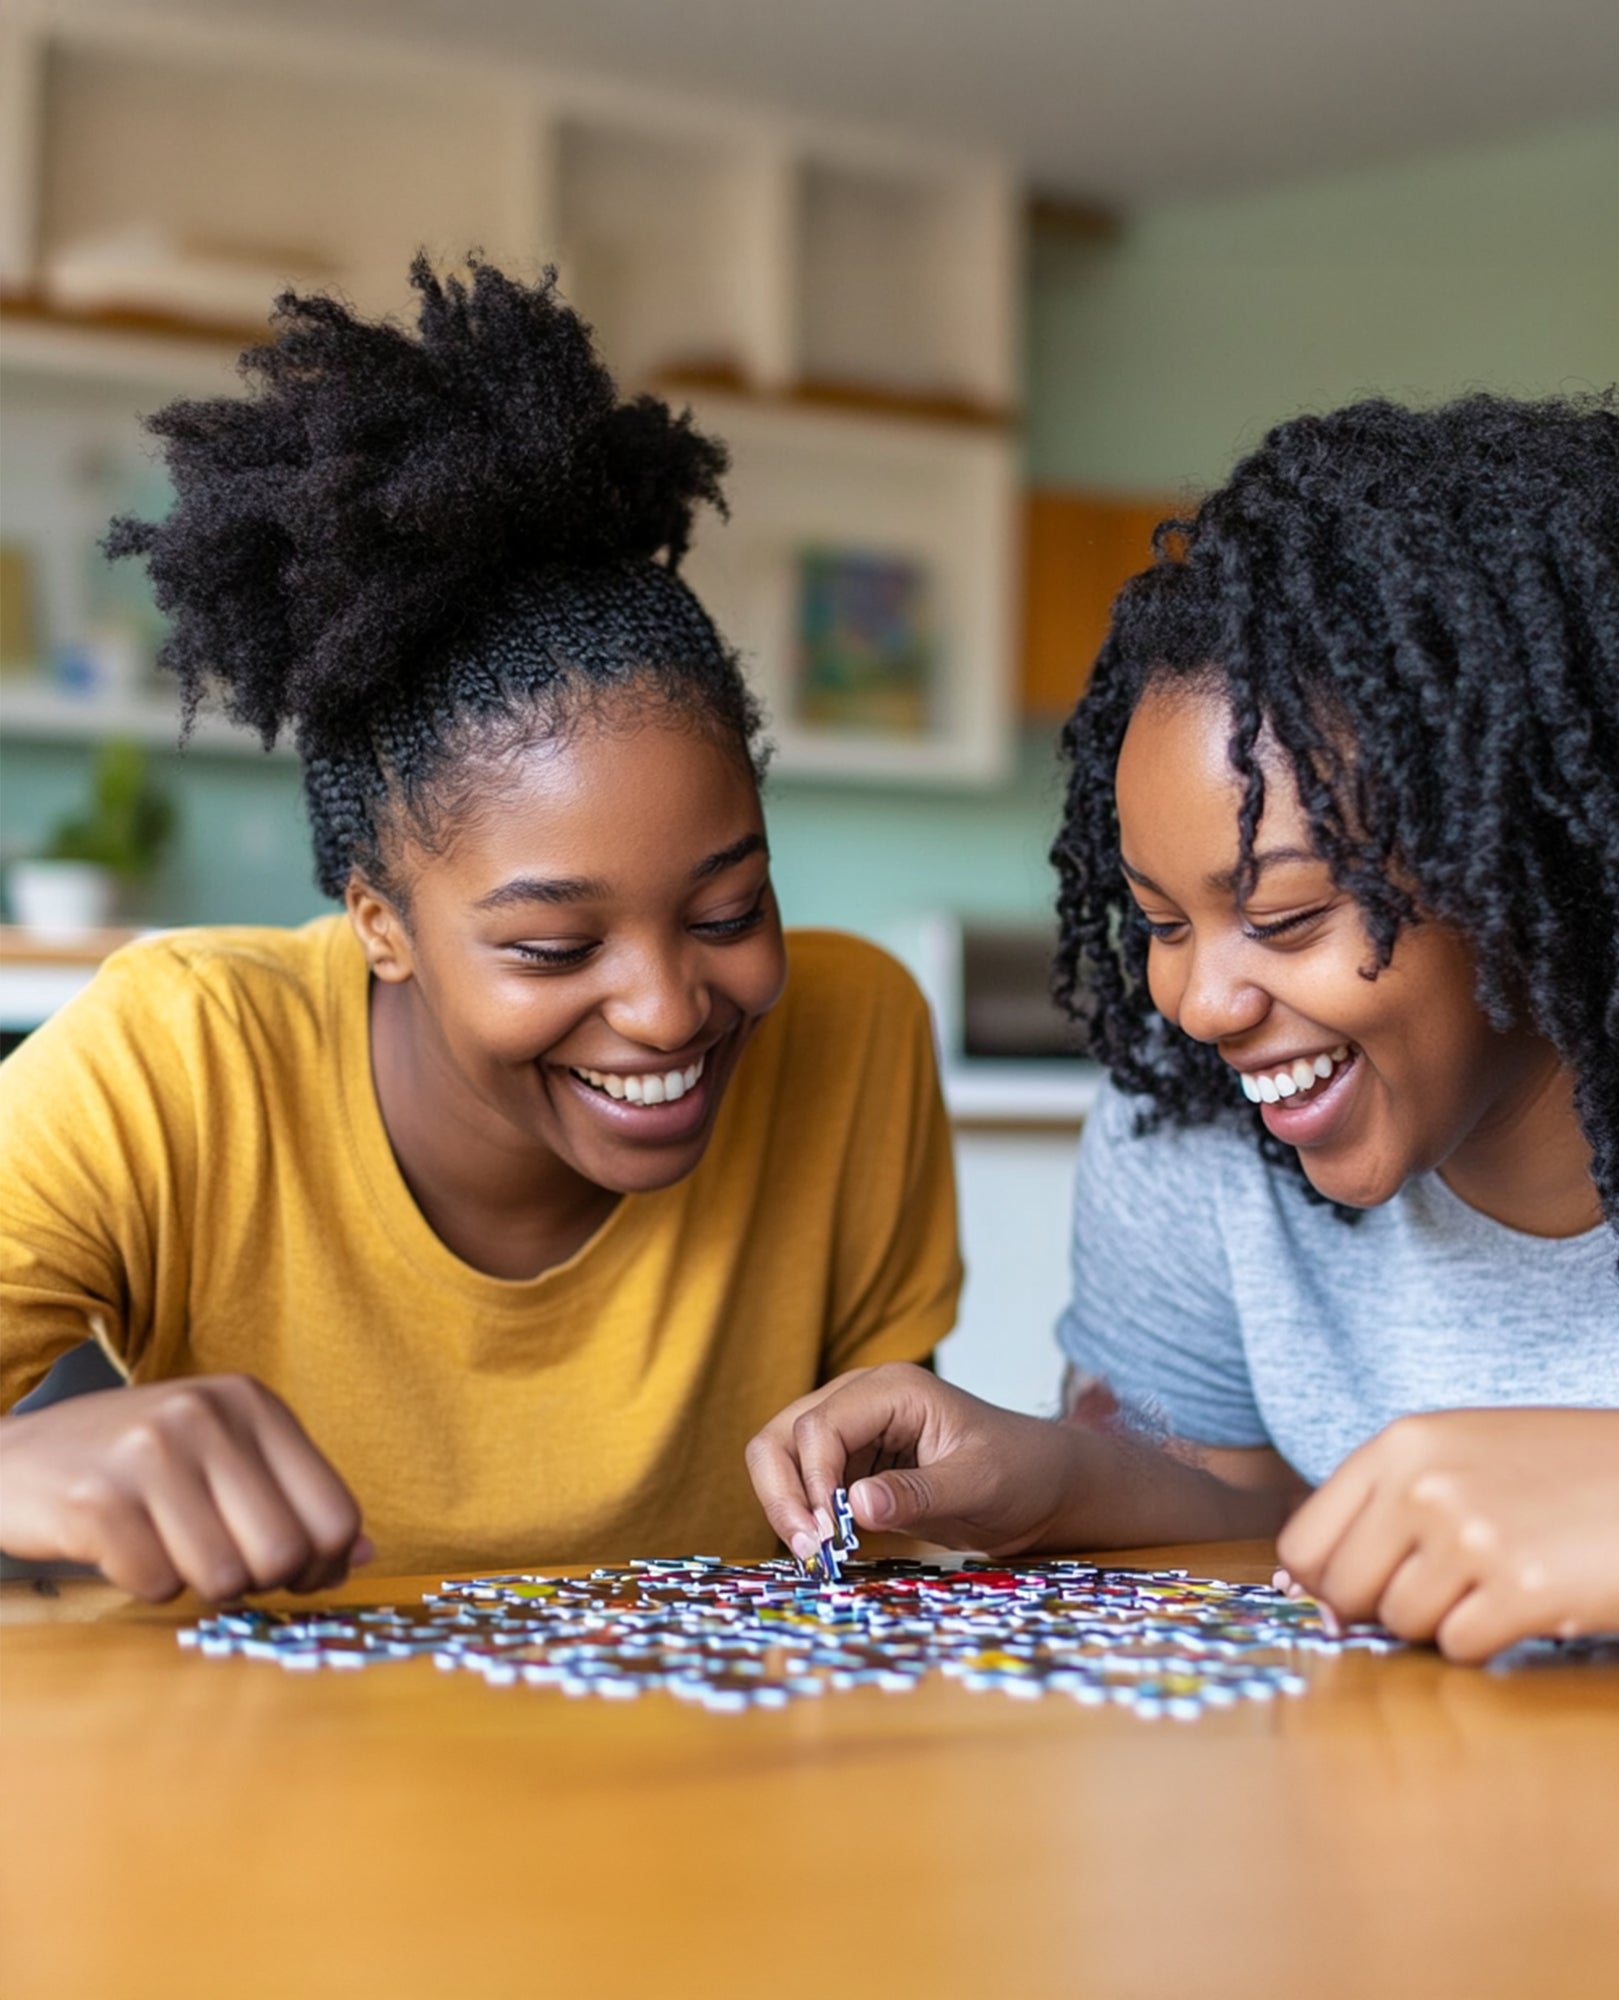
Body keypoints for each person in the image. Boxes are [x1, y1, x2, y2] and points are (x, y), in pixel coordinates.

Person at [747, 391, 1619, 1660]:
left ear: (1538, 858)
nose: (1198, 1002)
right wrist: (1069, 1476)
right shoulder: (1189, 1109)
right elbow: (1269, 1525)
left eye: (1285, 914)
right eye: (1158, 921)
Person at [0, 260, 959, 1599]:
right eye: (556, 948)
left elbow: (892, 1531)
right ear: (380, 925)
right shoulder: (174, 1059)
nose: (672, 1006)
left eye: (731, 910)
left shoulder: (856, 1033)